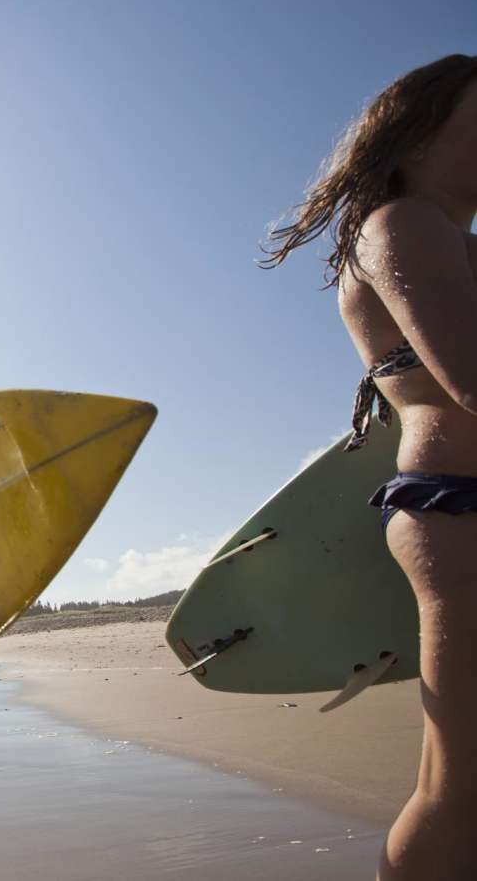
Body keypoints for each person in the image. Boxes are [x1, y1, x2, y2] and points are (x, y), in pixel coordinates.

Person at [262, 54, 477, 880]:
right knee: (462, 790)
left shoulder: (423, 234)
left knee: (456, 782)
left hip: (446, 503)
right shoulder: (405, 226)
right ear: (417, 132)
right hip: (463, 507)